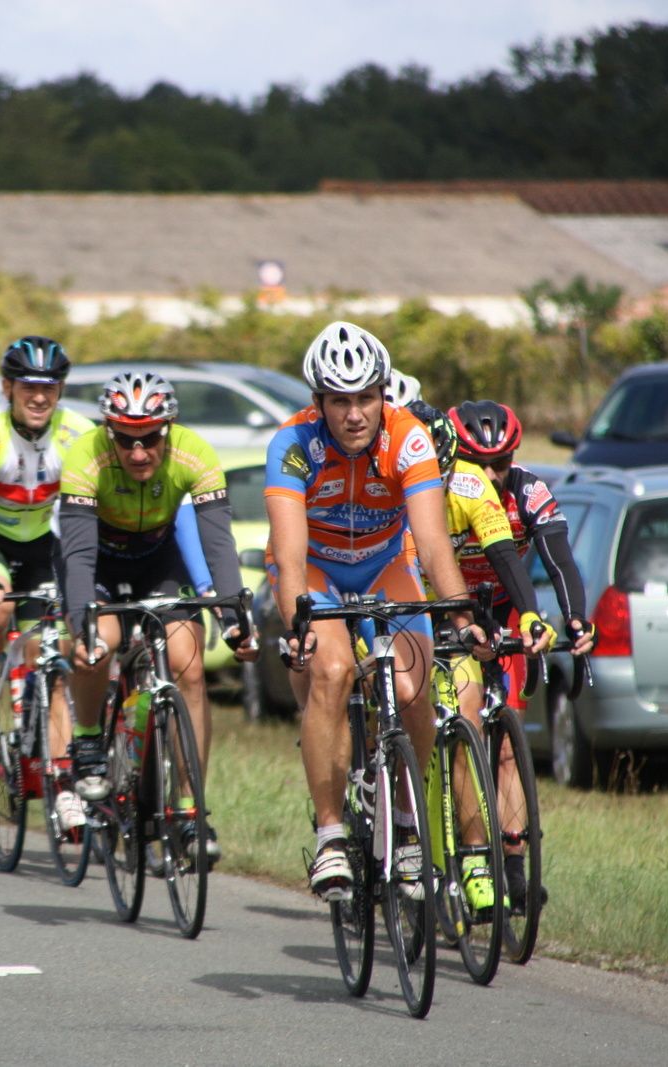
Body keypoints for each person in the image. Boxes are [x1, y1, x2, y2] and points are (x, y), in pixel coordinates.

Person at [263, 321, 484, 901]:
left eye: (366, 398)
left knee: (414, 687)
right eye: (340, 401)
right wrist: (299, 628)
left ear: (383, 395)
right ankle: (331, 838)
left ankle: (409, 825)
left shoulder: (409, 438)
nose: (355, 414)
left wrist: (461, 616)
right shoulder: (290, 444)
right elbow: (287, 558)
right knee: (331, 672)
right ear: (319, 403)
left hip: (384, 566)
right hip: (317, 570)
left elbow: (433, 546)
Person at [58, 370, 256, 864]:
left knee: (188, 665)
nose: (139, 452)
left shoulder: (196, 453)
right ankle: (85, 739)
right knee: (95, 644)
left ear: (168, 430)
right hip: (99, 563)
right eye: (126, 439)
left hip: (159, 562)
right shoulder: (85, 457)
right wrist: (82, 622)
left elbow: (218, 545)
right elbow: (78, 558)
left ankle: (191, 811)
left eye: (150, 439)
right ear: (110, 432)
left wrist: (235, 618)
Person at [407, 398, 552, 913]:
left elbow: (506, 555)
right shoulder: (385, 490)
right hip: (405, 601)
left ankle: (476, 857)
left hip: (462, 608)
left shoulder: (469, 483)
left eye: (439, 474)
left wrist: (532, 616)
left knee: (467, 706)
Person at [449, 398, 595, 910]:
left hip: (507, 608)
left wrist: (576, 618)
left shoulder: (530, 489)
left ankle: (512, 864)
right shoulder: (442, 488)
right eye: (479, 463)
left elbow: (559, 561)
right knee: (454, 718)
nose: (490, 475)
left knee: (507, 740)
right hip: (447, 609)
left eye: (501, 464)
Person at [0, 336, 93, 824]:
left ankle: (62, 783)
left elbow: (88, 512)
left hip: (44, 545)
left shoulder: (78, 433)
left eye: (50, 387)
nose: (40, 397)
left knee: (50, 651)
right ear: (8, 387)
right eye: (29, 386)